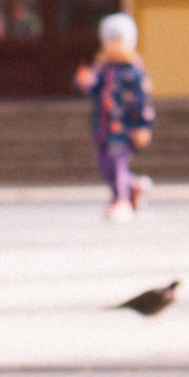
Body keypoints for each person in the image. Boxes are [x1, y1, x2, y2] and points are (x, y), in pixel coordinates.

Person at [75, 11, 153, 221]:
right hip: (103, 127)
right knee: (104, 165)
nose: (114, 46)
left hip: (125, 129)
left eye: (119, 41)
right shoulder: (103, 69)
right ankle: (133, 187)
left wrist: (143, 126)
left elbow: (142, 101)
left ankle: (121, 199)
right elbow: (92, 89)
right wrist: (84, 81)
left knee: (117, 163)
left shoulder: (134, 72)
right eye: (110, 41)